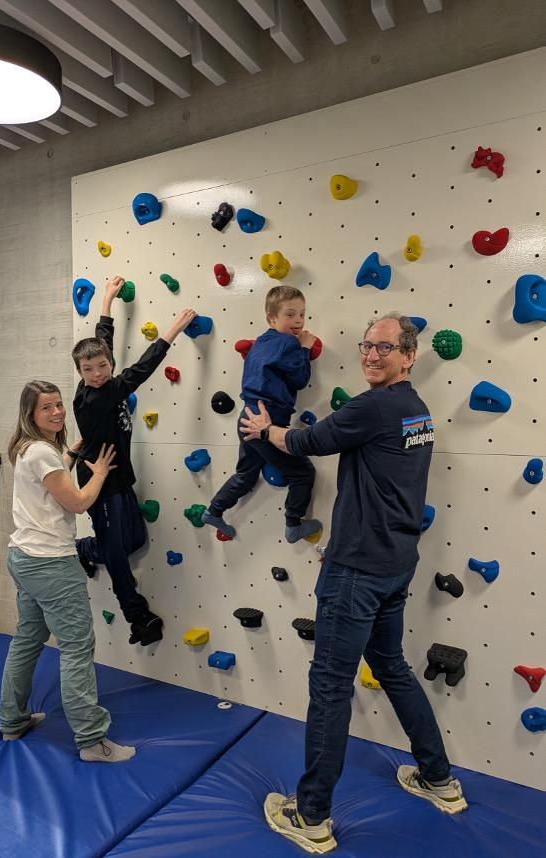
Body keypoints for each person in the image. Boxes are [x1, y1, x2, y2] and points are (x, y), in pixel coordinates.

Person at [240, 313, 467, 854]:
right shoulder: (417, 410)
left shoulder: (375, 406)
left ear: (409, 356)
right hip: (395, 563)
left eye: (384, 347)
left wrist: (264, 430)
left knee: (330, 686)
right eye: (367, 345)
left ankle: (311, 816)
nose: (370, 354)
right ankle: (440, 780)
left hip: (358, 570)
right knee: (390, 665)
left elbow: (311, 440)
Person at [0, 380, 135, 763]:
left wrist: (72, 453)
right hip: (51, 564)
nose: (58, 412)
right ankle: (92, 741)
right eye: (47, 408)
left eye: (59, 404)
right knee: (77, 648)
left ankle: (12, 720)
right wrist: (102, 472)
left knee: (27, 639)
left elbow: (51, 481)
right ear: (31, 413)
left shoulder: (28, 448)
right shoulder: (42, 451)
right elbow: (76, 501)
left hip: (24, 557)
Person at [73, 275, 196, 646]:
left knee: (135, 539)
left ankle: (87, 548)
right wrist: (172, 329)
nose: (96, 374)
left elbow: (102, 342)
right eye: (88, 370)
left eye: (101, 367)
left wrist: (108, 301)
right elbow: (143, 368)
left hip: (117, 475)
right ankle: (138, 617)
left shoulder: (100, 376)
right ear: (79, 373)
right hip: (99, 479)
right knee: (118, 556)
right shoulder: (102, 395)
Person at [201, 284, 322, 543]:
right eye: (290, 315)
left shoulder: (262, 342)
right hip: (267, 421)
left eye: (302, 314)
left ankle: (214, 510)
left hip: (247, 416)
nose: (298, 321)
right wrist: (305, 348)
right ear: (272, 318)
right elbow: (300, 379)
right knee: (303, 473)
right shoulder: (289, 343)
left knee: (246, 473)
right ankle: (293, 524)